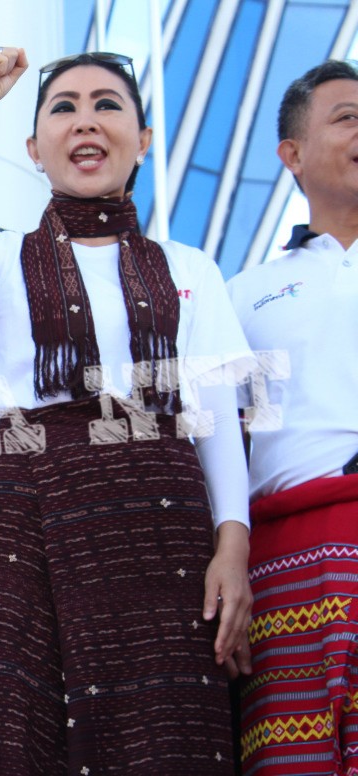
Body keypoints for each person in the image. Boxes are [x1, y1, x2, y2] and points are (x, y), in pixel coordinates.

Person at [0, 46, 254, 773]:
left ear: (144, 140)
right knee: (20, 729)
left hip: (161, 514)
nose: (85, 121)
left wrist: (234, 545)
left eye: (106, 104)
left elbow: (214, 417)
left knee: (164, 730)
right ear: (34, 147)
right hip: (30, 502)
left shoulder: (191, 268)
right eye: (63, 107)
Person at [227, 60, 358, 774]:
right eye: (347, 118)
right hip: (286, 558)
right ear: (292, 155)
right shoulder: (240, 294)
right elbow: (220, 442)